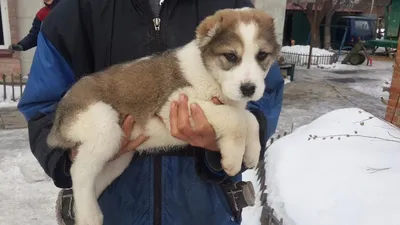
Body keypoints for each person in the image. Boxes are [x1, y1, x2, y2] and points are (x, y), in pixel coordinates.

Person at [17, 0, 284, 225]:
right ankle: (85, 195)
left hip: (206, 211)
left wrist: (251, 127)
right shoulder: (76, 9)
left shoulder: (235, 9)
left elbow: (264, 96)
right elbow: (42, 106)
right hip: (116, 208)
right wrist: (67, 157)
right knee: (106, 139)